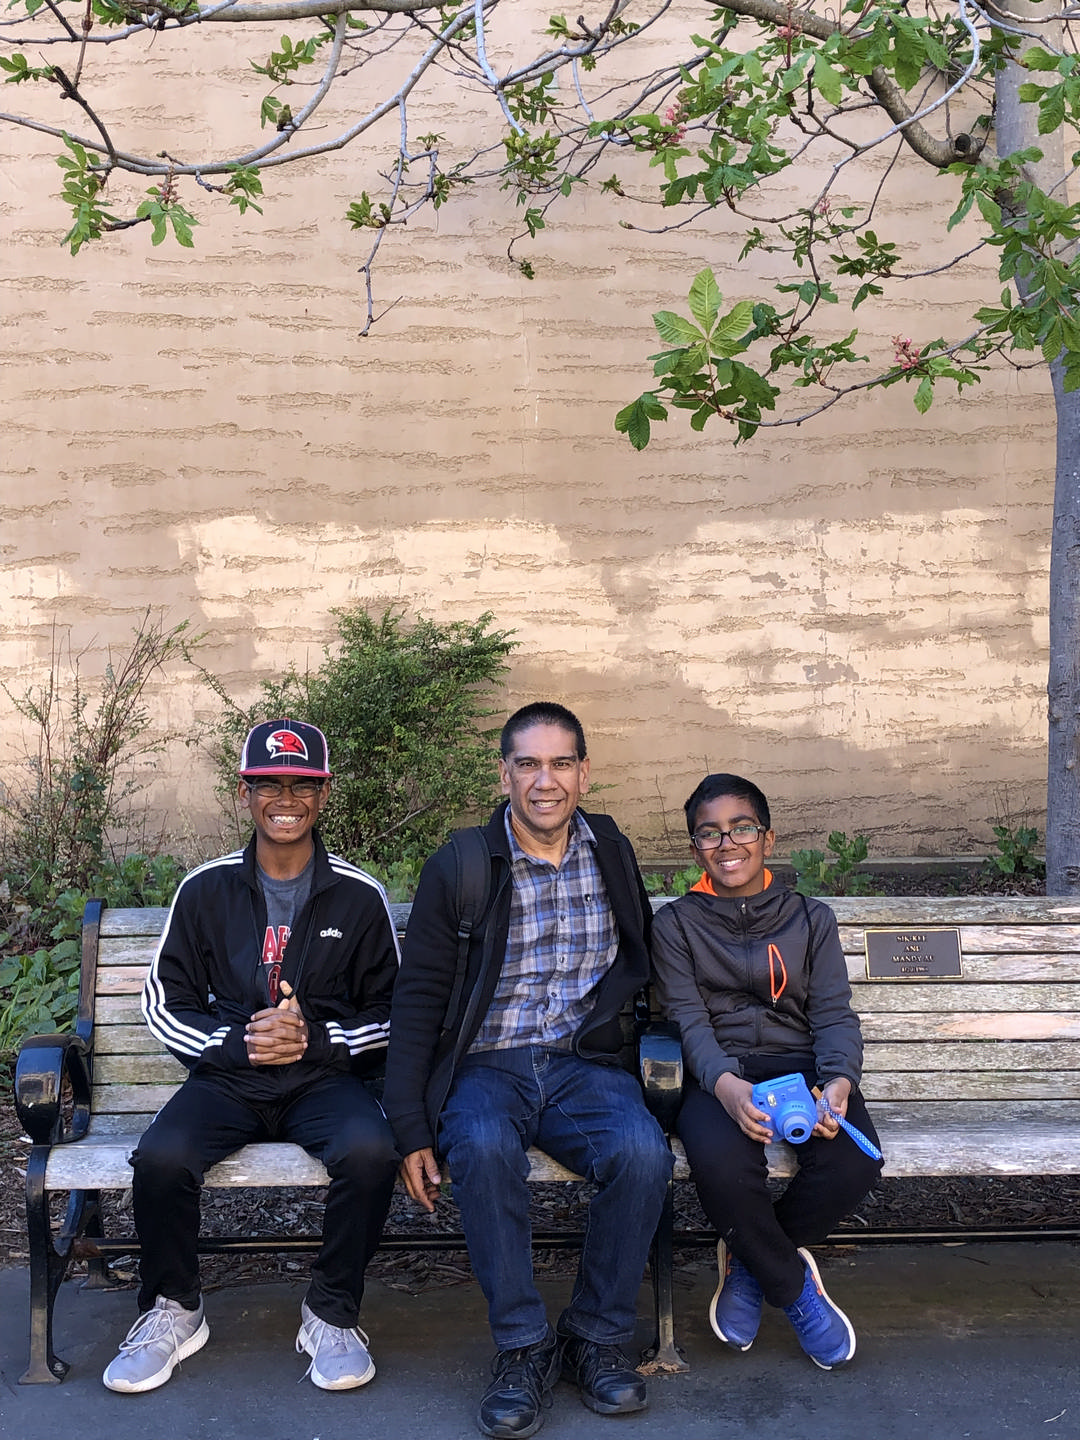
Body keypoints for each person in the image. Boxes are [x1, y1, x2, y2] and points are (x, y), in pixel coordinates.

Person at [383, 702, 673, 1439]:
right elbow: (417, 1004)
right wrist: (409, 1127)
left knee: (642, 1154)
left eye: (562, 763)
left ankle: (595, 1338)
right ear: (505, 772)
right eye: (529, 764)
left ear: (584, 771)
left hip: (583, 1063)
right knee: (479, 1148)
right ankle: (522, 1347)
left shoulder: (610, 847)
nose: (547, 781)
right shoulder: (462, 865)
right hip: (489, 1064)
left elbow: (639, 955)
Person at [102, 719, 400, 1394]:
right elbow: (163, 1001)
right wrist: (235, 1043)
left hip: (321, 1077)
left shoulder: (358, 895)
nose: (285, 797)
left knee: (369, 1150)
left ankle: (330, 1314)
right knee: (161, 1158)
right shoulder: (204, 889)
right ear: (246, 794)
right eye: (269, 784)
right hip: (229, 1078)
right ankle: (173, 1309)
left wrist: (317, 1039)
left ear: (322, 797)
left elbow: (393, 1012)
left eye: (302, 784)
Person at [650, 773, 883, 1370]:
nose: (727, 844)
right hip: (719, 1073)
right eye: (709, 834)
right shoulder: (676, 925)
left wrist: (837, 1083)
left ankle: (750, 1262)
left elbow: (833, 1014)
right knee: (723, 1170)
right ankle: (795, 1290)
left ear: (768, 838)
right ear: (696, 848)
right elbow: (688, 1021)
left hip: (800, 1068)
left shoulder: (810, 918)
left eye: (741, 828)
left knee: (855, 1161)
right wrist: (727, 1090)